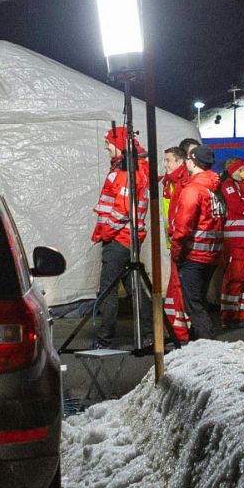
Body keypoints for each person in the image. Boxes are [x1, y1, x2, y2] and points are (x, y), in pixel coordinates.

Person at [89, 125, 149, 349]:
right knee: (133, 287)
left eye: (108, 145)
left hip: (118, 239)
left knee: (108, 289)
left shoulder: (125, 172)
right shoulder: (134, 169)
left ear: (119, 145)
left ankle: (104, 339)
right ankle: (148, 333)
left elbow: (122, 210)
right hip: (129, 238)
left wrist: (106, 232)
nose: (107, 149)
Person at [169, 145, 226, 339]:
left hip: (194, 256)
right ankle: (197, 342)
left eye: (187, 160)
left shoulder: (193, 190)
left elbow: (183, 227)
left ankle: (209, 347)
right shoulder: (215, 189)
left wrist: (176, 252)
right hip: (212, 255)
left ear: (192, 162)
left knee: (193, 305)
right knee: (198, 301)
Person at [218, 157, 244, 325]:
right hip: (235, 239)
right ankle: (229, 315)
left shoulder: (242, 185)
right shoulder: (227, 186)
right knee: (235, 276)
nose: (243, 173)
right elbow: (238, 207)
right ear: (232, 170)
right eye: (240, 170)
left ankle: (243, 313)